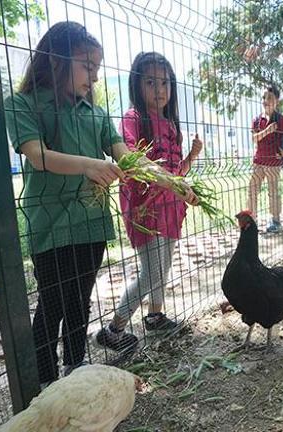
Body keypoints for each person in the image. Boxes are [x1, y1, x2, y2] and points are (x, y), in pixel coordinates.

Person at [4, 22, 135, 387]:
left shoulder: (97, 113)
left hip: (91, 221)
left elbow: (127, 157)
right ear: (56, 59)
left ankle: (75, 368)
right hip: (51, 224)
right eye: (87, 66)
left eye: (97, 68)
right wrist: (90, 165)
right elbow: (38, 155)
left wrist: (171, 180)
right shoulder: (23, 104)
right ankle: (44, 382)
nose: (94, 77)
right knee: (53, 302)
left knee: (80, 298)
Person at [95, 52, 201, 352]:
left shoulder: (171, 125)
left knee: (163, 266)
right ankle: (113, 330)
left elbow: (176, 173)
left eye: (165, 83)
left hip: (170, 209)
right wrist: (172, 182)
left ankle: (154, 316)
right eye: (151, 82)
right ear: (137, 85)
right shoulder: (133, 119)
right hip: (145, 210)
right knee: (151, 271)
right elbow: (130, 157)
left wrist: (192, 156)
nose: (159, 90)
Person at [247, 85, 283, 234]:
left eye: (270, 98)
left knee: (273, 192)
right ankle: (251, 221)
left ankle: (276, 222)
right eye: (264, 97)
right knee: (252, 190)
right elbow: (254, 138)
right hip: (258, 161)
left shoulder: (282, 120)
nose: (266, 101)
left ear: (277, 101)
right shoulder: (257, 120)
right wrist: (267, 131)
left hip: (273, 163)